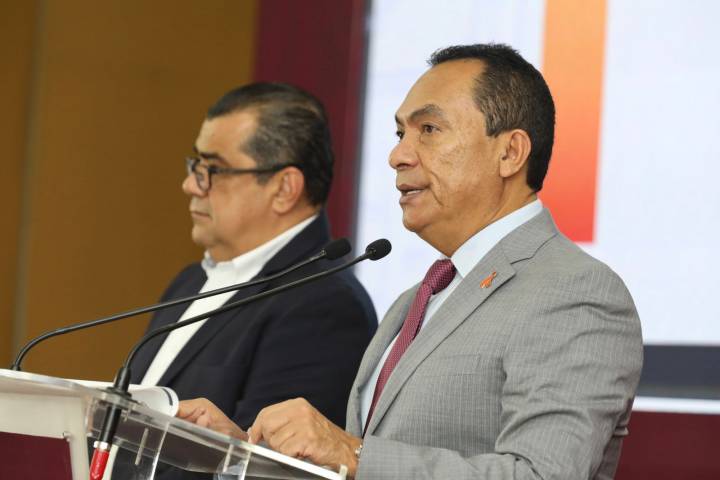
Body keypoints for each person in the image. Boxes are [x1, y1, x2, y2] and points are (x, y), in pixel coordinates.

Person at [179, 44, 643, 480]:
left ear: (510, 152)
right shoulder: (417, 299)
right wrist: (243, 453)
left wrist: (352, 453)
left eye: (429, 130)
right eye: (401, 133)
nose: (397, 155)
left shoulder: (575, 292)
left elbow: (540, 474)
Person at [131, 82, 377, 448]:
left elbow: (269, 462)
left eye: (214, 169)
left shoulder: (324, 307)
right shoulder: (189, 281)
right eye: (196, 164)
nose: (190, 185)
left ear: (284, 189)